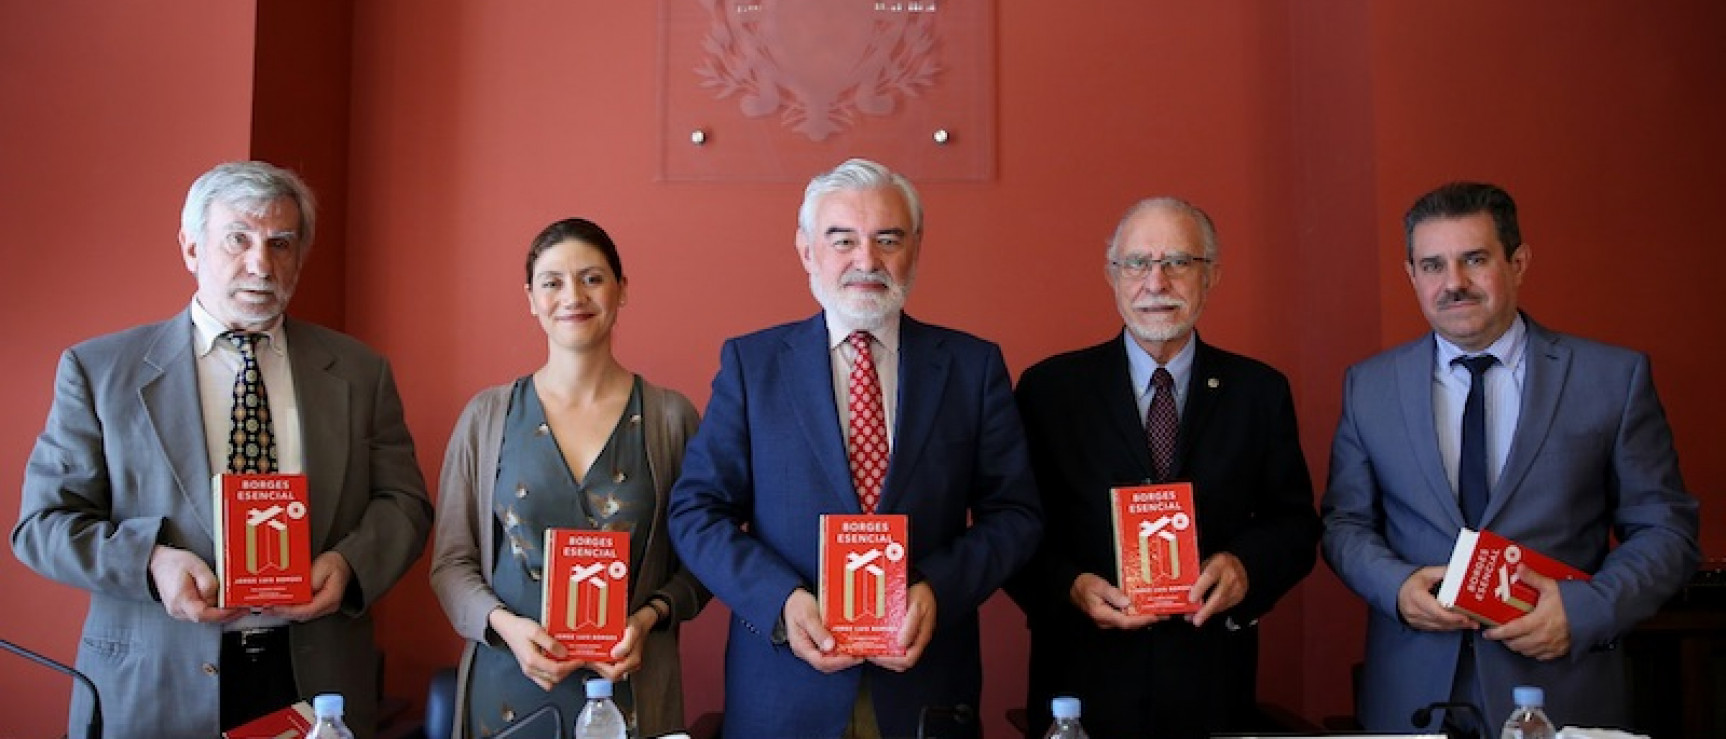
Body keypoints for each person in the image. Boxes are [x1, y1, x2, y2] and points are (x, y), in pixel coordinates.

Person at [11, 161, 434, 737]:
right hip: (156, 680)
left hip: (313, 676)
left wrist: (349, 565)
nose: (261, 264)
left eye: (281, 243)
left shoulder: (360, 371)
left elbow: (403, 502)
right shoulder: (99, 370)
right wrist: (152, 562)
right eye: (238, 238)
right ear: (191, 247)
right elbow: (42, 526)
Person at [666, 158, 1042, 738]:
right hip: (783, 693)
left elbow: (1015, 514)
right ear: (807, 251)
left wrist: (938, 590)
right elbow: (696, 512)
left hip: (927, 691)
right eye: (843, 240)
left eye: (887, 239)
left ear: (915, 247)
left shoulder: (972, 367)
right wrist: (781, 600)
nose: (866, 261)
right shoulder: (752, 365)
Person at [1321, 181, 1700, 731]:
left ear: (1518, 262)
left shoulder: (1612, 379)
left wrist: (1585, 609)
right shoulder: (1368, 387)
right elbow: (1344, 523)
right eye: (1432, 265)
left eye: (1474, 259)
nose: (1453, 284)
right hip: (1413, 695)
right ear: (1411, 276)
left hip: (1561, 687)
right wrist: (1397, 588)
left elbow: (1667, 530)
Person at [1006, 198, 1321, 738]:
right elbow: (1011, 526)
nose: (1157, 282)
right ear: (1112, 275)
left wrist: (1245, 567)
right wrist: (1071, 586)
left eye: (1179, 262)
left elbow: (1295, 527)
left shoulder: (1259, 392)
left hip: (1211, 687)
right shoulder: (1049, 390)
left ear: (1212, 274)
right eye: (1137, 264)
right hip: (1082, 688)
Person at [430, 218, 709, 738]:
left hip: (634, 693)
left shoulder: (671, 419)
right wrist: (505, 628)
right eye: (552, 282)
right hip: (509, 691)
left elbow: (701, 564)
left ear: (622, 290)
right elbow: (450, 564)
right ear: (530, 299)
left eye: (592, 278)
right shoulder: (487, 416)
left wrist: (648, 619)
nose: (573, 296)